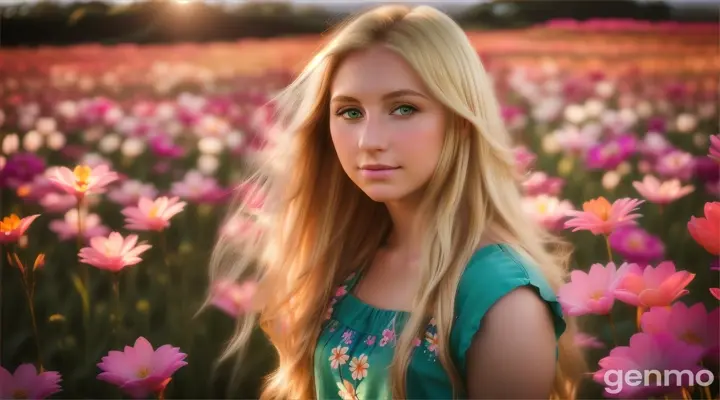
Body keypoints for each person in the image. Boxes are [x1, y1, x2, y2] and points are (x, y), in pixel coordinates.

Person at [207, 4, 587, 399]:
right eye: (350, 112)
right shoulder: (345, 258)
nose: (369, 140)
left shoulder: (503, 301)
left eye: (404, 108)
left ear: (460, 120)